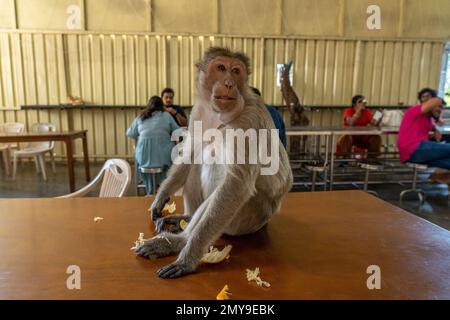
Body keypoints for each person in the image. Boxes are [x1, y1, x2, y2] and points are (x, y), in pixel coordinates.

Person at [127, 96, 179, 195]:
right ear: (161, 106)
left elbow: (130, 133)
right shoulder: (166, 116)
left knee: (140, 161)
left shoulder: (141, 117)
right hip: (163, 159)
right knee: (171, 156)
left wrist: (137, 146)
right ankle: (163, 189)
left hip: (143, 159)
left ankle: (150, 190)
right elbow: (177, 131)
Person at [398, 97, 450, 171]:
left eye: (442, 108)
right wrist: (436, 101)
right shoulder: (415, 110)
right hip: (414, 149)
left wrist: (435, 130)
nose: (440, 110)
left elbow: (432, 126)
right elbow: (435, 101)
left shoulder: (428, 118)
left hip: (414, 156)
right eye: (438, 106)